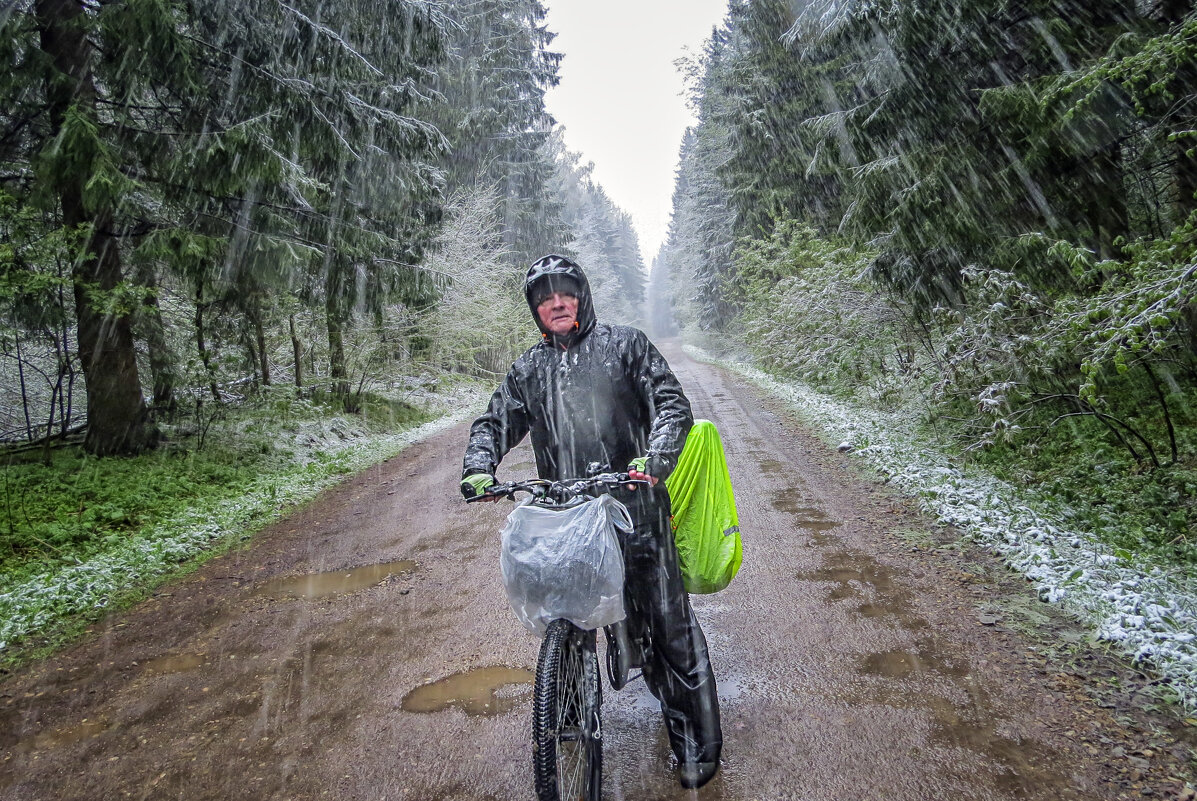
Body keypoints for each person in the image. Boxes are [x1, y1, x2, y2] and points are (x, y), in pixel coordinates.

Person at [460, 254, 723, 789]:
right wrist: (478, 467)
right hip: (570, 518)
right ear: (535, 309)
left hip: (636, 509)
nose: (556, 303)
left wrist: (659, 456)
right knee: (569, 617)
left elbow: (671, 405)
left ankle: (696, 741)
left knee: (665, 628)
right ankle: (569, 696)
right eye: (544, 297)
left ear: (582, 298)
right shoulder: (529, 369)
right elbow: (494, 420)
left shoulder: (626, 346)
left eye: (566, 293)